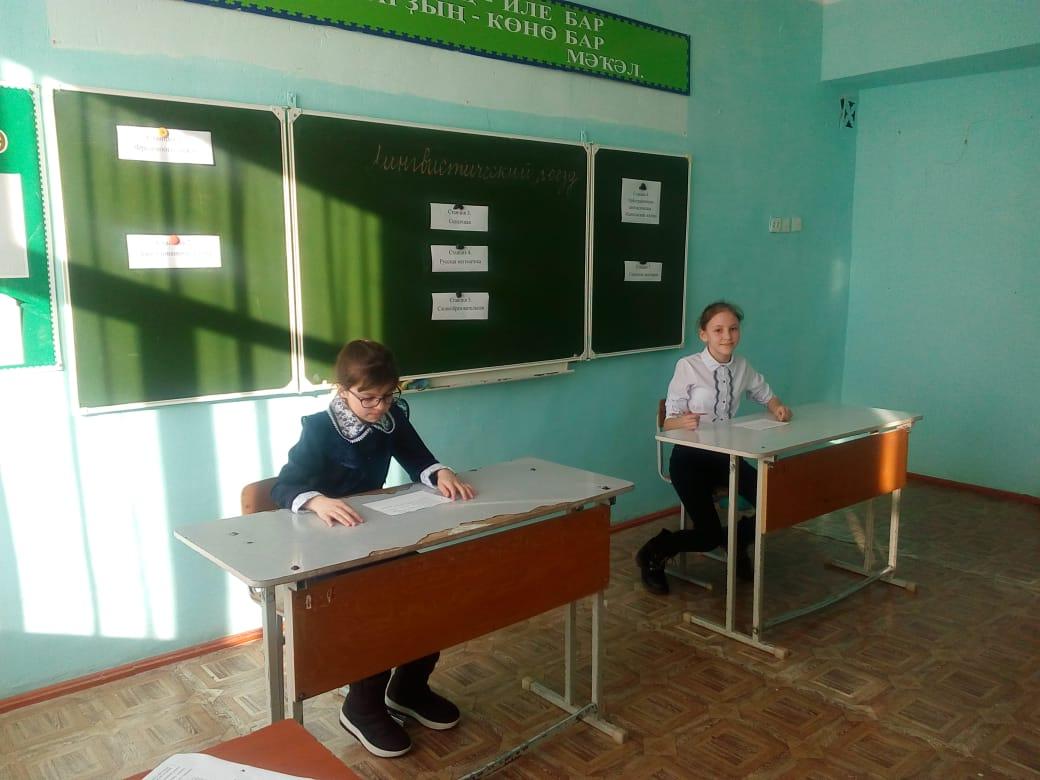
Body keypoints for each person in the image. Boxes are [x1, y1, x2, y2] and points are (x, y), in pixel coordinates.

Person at [272, 339, 475, 758]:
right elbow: (284, 485)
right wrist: (317, 501)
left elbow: (419, 458)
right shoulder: (320, 428)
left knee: (430, 589)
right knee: (378, 608)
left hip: (374, 535)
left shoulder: (391, 417)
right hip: (325, 547)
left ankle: (408, 689)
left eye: (387, 396)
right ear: (342, 389)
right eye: (368, 398)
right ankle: (361, 706)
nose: (379, 407)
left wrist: (441, 473)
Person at [637, 301, 791, 594]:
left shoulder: (742, 366)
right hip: (689, 460)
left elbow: (765, 394)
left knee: (776, 503)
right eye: (718, 330)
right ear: (703, 334)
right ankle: (654, 553)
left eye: (733, 329)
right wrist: (682, 421)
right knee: (707, 536)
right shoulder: (688, 366)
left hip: (727, 457)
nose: (727, 336)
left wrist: (778, 407)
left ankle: (735, 539)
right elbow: (668, 423)